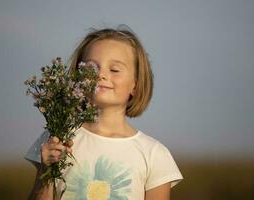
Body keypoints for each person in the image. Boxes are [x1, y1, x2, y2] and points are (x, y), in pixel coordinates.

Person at [25, 25, 183, 200]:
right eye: (91, 68)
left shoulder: (154, 154)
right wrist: (45, 172)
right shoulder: (57, 136)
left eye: (114, 70)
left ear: (135, 85)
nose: (101, 75)